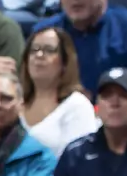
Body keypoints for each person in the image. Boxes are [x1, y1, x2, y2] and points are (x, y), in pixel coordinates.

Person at [21, 26, 98, 158]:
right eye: (34, 50)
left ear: (65, 62)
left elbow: (78, 163)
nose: (39, 55)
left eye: (49, 50)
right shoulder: (13, 102)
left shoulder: (77, 106)